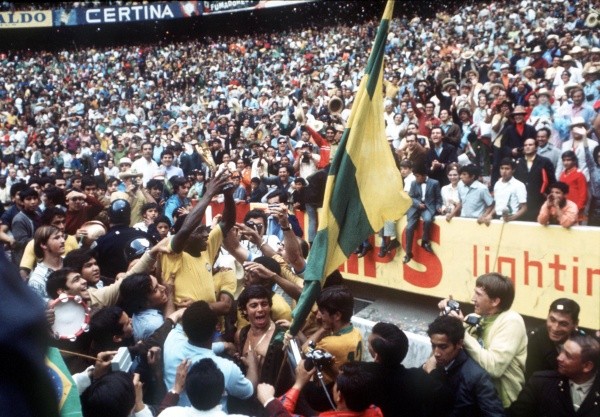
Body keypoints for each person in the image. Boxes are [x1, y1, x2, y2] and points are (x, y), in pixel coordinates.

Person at [439, 273, 527, 408]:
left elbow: (494, 368)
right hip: (473, 396)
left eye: (478, 295)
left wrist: (463, 332)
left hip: (501, 403)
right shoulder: (473, 317)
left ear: (495, 301)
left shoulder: (512, 321)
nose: (472, 299)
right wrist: (446, 317)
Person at [159, 171, 234, 311]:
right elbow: (186, 229)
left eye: (205, 229)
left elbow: (227, 223)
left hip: (209, 323)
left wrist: (228, 195)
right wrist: (209, 193)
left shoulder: (204, 247)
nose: (206, 233)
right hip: (183, 324)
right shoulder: (173, 254)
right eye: (199, 230)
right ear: (183, 237)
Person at [162, 301, 253, 409]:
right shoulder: (225, 368)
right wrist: (253, 366)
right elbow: (248, 392)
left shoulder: (171, 340)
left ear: (185, 328)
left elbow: (195, 347)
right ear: (216, 328)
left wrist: (224, 345)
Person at [422, 315, 505, 417]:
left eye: (443, 347)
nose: (436, 353)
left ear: (459, 344)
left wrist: (432, 374)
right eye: (433, 345)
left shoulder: (477, 377)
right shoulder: (432, 365)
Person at [509, 334, 600, 417]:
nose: (559, 357)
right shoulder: (540, 383)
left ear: (587, 366)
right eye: (562, 351)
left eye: (568, 355)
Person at [256, 361, 383, 417]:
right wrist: (335, 373)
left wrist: (269, 400)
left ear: (339, 396)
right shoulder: (376, 410)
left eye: (336, 384)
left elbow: (282, 414)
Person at [158, 358, 250, 417]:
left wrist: (176, 389)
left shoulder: (170, 413)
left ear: (186, 391)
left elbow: (163, 412)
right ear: (223, 392)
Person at [93, 199, 153, 282]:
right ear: (129, 217)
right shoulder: (144, 235)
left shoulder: (102, 241)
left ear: (109, 218)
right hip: (145, 284)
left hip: (112, 288)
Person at [526, 298, 582, 380]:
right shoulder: (534, 341)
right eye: (552, 320)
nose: (555, 328)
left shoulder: (582, 343)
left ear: (575, 324)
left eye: (563, 324)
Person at [403, 165, 442, 263]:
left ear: (424, 176)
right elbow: (410, 197)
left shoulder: (434, 183)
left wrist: (439, 208)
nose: (416, 178)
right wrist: (417, 204)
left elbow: (438, 199)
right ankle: (408, 252)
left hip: (428, 207)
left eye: (417, 176)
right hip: (415, 208)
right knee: (409, 228)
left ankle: (425, 241)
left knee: (428, 220)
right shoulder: (413, 183)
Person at [514, 138, 557, 221]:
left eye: (530, 145)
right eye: (525, 145)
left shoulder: (545, 162)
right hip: (522, 201)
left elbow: (552, 181)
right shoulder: (519, 162)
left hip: (539, 200)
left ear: (536, 147)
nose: (527, 147)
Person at [28, 225, 65, 302]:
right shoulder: (37, 279)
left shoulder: (70, 261)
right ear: (43, 245)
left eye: (62, 236)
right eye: (57, 238)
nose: (63, 241)